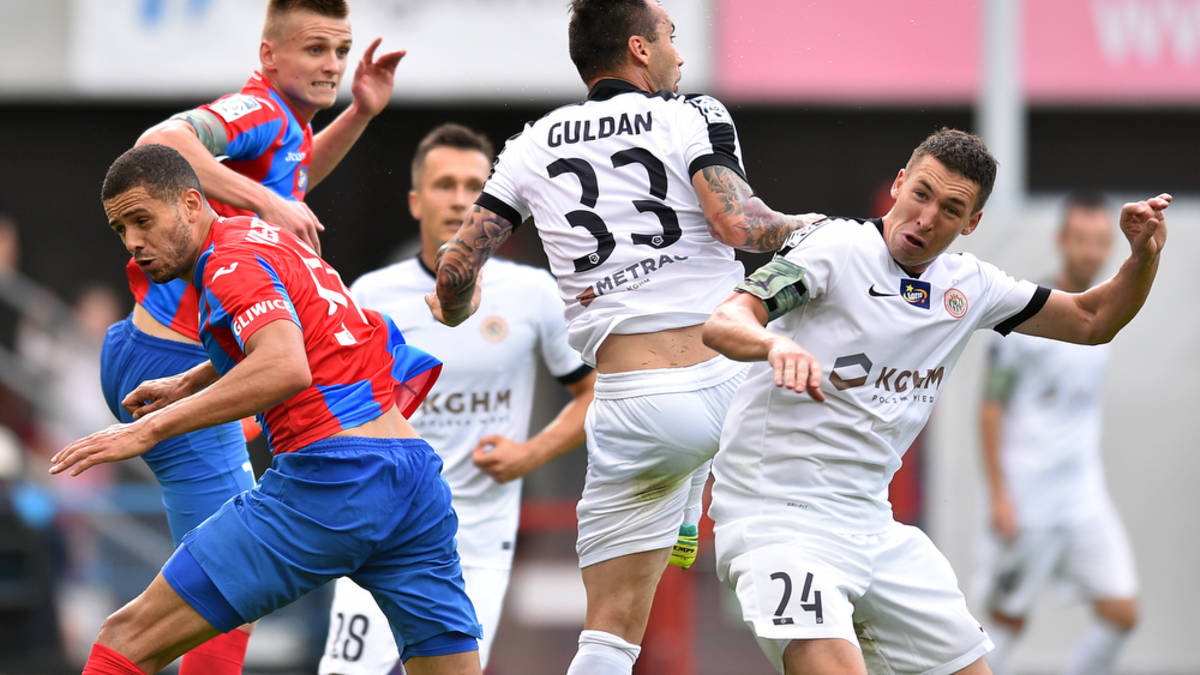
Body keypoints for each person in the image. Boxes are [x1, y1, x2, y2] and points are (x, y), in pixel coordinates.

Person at [429, 2, 815, 672]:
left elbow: (456, 270)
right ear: (640, 48)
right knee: (819, 578)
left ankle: (686, 497)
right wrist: (813, 230)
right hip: (731, 381)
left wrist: (457, 310)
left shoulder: (531, 145)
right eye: (671, 38)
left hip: (633, 405)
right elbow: (740, 225)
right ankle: (693, 499)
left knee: (609, 634)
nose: (679, 55)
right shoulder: (692, 113)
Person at [701, 128, 1170, 675]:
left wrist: (1144, 256)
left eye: (951, 209)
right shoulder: (837, 248)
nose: (926, 218)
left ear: (971, 223)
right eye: (921, 194)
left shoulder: (969, 286)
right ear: (900, 184)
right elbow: (725, 320)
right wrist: (774, 343)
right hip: (778, 518)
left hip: (872, 525)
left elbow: (1093, 320)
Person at [50, 143, 481, 675]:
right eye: (121, 230)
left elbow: (284, 365)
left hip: (335, 481)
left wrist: (149, 431)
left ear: (191, 204)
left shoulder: (226, 264)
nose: (134, 242)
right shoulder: (262, 237)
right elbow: (307, 332)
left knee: (125, 637)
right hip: (413, 480)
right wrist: (189, 381)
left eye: (143, 220)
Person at [99, 1, 403, 670]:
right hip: (170, 354)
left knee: (217, 590)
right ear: (270, 55)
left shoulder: (286, 126)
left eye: (340, 50)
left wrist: (359, 113)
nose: (332, 64)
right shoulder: (260, 108)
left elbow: (288, 177)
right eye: (315, 48)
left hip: (173, 354)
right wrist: (268, 202)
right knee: (220, 593)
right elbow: (159, 143)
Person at [319, 123, 596, 674]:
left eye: (475, 186)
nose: (460, 199)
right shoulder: (370, 295)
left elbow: (595, 391)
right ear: (416, 201)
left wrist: (530, 454)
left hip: (478, 541)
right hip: (380, 529)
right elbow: (333, 406)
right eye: (444, 184)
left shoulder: (533, 293)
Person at [976, 192, 1138, 675]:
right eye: (1080, 239)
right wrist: (1000, 496)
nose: (1090, 251)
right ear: (1062, 241)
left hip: (1084, 498)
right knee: (1006, 624)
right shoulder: (1031, 313)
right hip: (1029, 498)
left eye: (1099, 241)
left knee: (1121, 613)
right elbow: (990, 408)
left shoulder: (1106, 314)